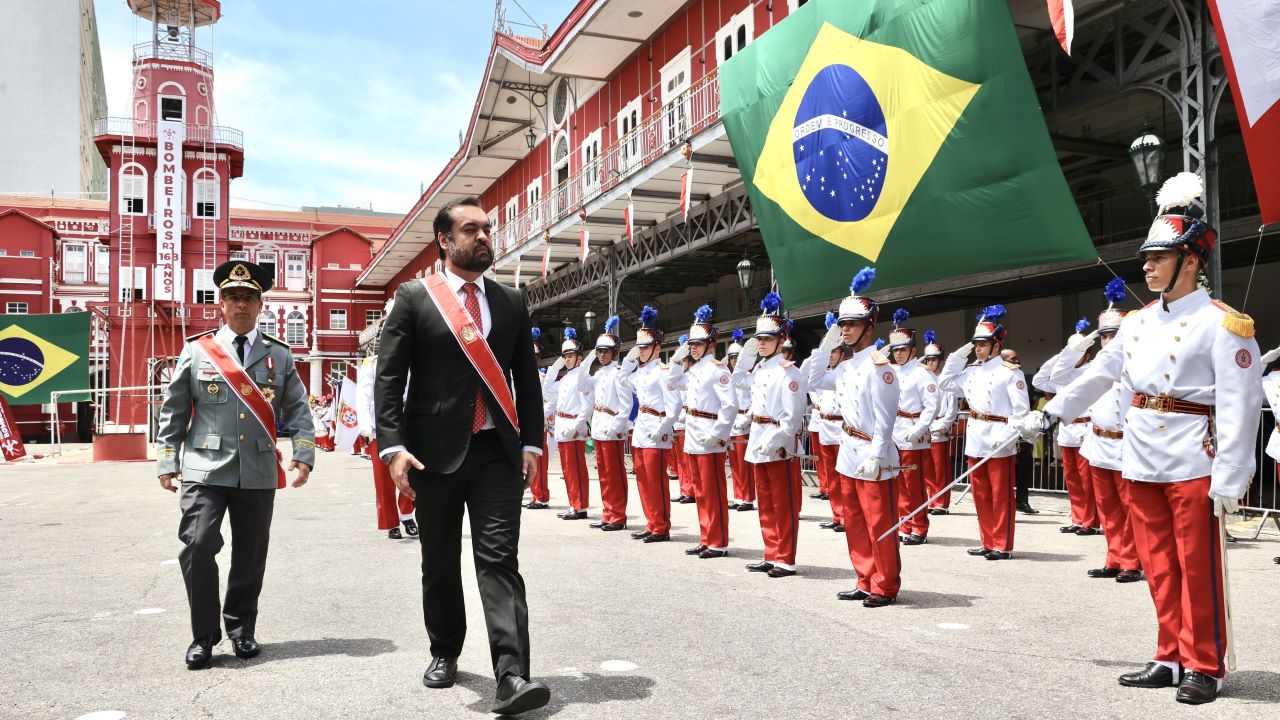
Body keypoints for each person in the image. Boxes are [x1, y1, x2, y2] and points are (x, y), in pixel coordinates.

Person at [1022, 174, 1261, 705]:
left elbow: (1241, 405)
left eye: (1159, 257)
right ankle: (1170, 654)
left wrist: (1232, 476)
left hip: (1194, 458)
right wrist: (1049, 413)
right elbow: (1097, 376)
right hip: (1142, 456)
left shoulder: (1223, 325)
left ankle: (1205, 664)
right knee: (1157, 562)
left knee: (1197, 566)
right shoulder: (1135, 324)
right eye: (1147, 258)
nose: (1147, 266)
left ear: (1191, 261)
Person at [374, 196, 549, 714]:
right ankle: (445, 650)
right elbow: (389, 380)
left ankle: (512, 674)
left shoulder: (511, 301)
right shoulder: (413, 298)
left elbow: (527, 381)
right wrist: (394, 447)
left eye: (487, 229)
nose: (483, 237)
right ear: (445, 241)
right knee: (439, 560)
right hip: (432, 455)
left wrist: (533, 442)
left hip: (496, 451)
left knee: (499, 559)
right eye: (471, 229)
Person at [156, 259, 314, 669]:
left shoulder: (279, 356)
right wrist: (166, 459)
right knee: (199, 544)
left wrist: (304, 454)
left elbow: (298, 409)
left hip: (258, 469)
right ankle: (203, 637)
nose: (240, 304)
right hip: (203, 469)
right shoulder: (198, 349)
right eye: (232, 298)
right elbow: (173, 410)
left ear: (261, 304)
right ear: (220, 305)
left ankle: (242, 630)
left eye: (248, 298)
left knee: (250, 554)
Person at [806, 267, 901, 608]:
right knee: (855, 523)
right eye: (842, 324)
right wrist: (827, 340)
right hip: (848, 450)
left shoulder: (880, 367)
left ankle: (885, 584)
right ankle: (864, 578)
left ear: (869, 327)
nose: (846, 330)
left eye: (852, 324)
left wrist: (877, 455)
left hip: (873, 454)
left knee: (880, 524)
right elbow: (813, 379)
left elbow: (886, 419)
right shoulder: (847, 367)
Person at [1048, 279, 1141, 583]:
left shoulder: (1139, 368)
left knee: (1130, 508)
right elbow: (1057, 376)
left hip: (1128, 445)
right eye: (1104, 338)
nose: (1109, 342)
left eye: (1114, 336)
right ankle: (1113, 558)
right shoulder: (1092, 368)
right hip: (1098, 443)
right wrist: (1081, 344)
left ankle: (1131, 561)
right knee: (1109, 508)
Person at [938, 305, 1029, 561]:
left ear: (996, 345)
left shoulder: (1010, 372)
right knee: (980, 493)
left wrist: (1009, 434)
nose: (978, 348)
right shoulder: (970, 371)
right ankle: (987, 541)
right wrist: (960, 354)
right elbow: (944, 383)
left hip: (1000, 434)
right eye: (975, 344)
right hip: (977, 435)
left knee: (1001, 494)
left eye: (983, 344)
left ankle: (1002, 544)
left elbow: (1020, 411)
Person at [735, 292, 807, 577]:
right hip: (758, 438)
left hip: (778, 444)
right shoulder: (761, 369)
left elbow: (792, 419)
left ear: (781, 340)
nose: (762, 343)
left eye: (766, 339)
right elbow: (738, 379)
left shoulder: (789, 373)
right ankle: (771, 552)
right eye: (759, 339)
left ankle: (785, 558)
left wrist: (774, 441)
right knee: (765, 502)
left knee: (783, 503)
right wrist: (748, 352)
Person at [675, 306, 738, 558]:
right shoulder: (694, 370)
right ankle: (706, 537)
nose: (693, 348)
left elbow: (730, 405)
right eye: (692, 344)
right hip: (693, 434)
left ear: (711, 345)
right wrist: (680, 353)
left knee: (713, 492)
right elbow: (673, 380)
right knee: (700, 491)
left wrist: (719, 433)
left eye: (698, 344)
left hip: (709, 435)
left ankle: (718, 541)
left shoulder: (718, 369)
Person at [1032, 320, 1100, 534]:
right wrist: (1062, 355)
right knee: (1072, 478)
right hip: (1068, 430)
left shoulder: (1092, 369)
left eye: (1079, 352)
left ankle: (1091, 521)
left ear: (1087, 355)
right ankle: (1078, 518)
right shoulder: (1062, 374)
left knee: (1088, 479)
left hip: (1086, 428)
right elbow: (1039, 380)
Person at [619, 306, 679, 543]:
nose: (641, 352)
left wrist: (663, 430)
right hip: (642, 427)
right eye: (639, 348)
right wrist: (629, 358)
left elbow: (674, 406)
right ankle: (651, 522)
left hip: (656, 426)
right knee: (643, 478)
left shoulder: (663, 372)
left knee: (657, 480)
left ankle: (661, 526)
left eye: (644, 347)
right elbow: (624, 379)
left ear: (657, 347)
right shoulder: (641, 372)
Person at [886, 309, 939, 545]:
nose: (898, 354)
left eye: (902, 349)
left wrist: (919, 429)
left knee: (914, 485)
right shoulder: (890, 372)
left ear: (913, 350)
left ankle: (919, 527)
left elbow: (932, 406)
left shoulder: (922, 373)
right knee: (898, 483)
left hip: (912, 431)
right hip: (894, 431)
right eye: (895, 350)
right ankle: (904, 524)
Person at [356, 354, 416, 539]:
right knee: (383, 480)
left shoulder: (414, 359)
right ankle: (391, 523)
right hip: (381, 425)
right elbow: (363, 395)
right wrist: (365, 425)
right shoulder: (372, 363)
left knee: (412, 474)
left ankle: (407, 516)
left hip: (410, 424)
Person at [543, 328, 593, 521]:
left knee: (576, 469)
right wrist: (556, 364)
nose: (567, 359)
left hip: (573, 426)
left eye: (571, 355)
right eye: (565, 356)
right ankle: (574, 504)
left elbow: (587, 407)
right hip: (563, 426)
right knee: (567, 470)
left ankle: (580, 507)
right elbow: (548, 392)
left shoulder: (583, 377)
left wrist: (577, 426)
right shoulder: (565, 379)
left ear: (580, 357)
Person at [588, 316, 632, 531]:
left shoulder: (618, 373)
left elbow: (626, 404)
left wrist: (616, 427)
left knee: (615, 475)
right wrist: (587, 358)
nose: (602, 354)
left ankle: (618, 516)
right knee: (604, 474)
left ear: (615, 352)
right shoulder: (598, 373)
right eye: (599, 351)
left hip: (612, 429)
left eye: (605, 351)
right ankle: (607, 513)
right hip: (598, 426)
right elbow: (581, 385)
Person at [813, 312, 846, 532]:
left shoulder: (846, 370)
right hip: (825, 427)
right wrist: (822, 352)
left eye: (835, 351)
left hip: (841, 428)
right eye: (829, 352)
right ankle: (837, 515)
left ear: (842, 352)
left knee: (843, 477)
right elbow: (810, 380)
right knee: (832, 477)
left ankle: (846, 516)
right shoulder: (826, 372)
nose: (831, 356)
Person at [921, 332, 957, 515]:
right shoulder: (924, 379)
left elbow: (952, 410)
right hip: (925, 427)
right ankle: (931, 499)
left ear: (940, 361)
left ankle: (941, 502)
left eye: (934, 360)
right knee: (927, 467)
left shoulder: (944, 381)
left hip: (939, 428)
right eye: (928, 360)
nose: (930, 363)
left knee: (940, 468)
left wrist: (943, 425)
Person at [725, 329, 756, 512]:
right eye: (732, 358)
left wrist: (747, 417)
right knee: (734, 463)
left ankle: (748, 498)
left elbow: (756, 399)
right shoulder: (729, 378)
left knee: (745, 464)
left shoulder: (749, 377)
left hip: (745, 421)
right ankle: (738, 497)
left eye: (737, 357)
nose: (734, 361)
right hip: (732, 421)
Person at [525, 327, 551, 509]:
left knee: (539, 463)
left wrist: (539, 416)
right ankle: (534, 494)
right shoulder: (521, 376)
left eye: (535, 356)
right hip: (523, 423)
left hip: (538, 423)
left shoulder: (543, 378)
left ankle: (541, 496)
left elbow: (550, 401)